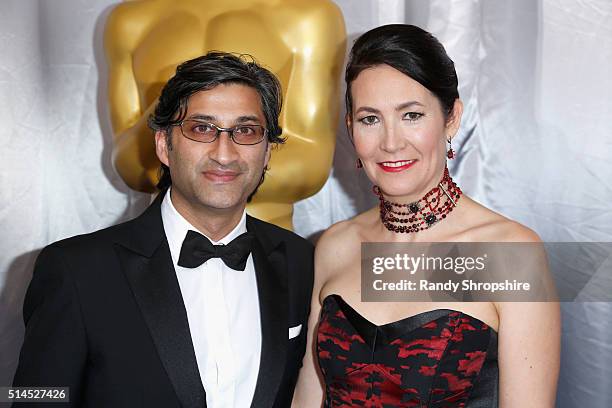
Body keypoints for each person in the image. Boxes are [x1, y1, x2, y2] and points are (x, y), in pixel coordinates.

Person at [13, 52, 314, 408]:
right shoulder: (75, 269)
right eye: (202, 128)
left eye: (245, 131)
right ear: (163, 145)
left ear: (266, 153)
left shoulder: (302, 261)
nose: (224, 153)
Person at [292, 25, 560, 407]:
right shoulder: (334, 245)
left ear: (451, 118)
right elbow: (308, 396)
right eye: (370, 119)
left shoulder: (510, 254)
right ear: (350, 127)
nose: (390, 142)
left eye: (412, 115)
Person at [104, 0, 346, 230]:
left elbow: (312, 162)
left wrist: (197, 172)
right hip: (157, 251)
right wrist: (175, 96)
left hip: (267, 250)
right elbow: (128, 164)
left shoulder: (309, 17)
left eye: (245, 130)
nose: (221, 155)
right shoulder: (129, 22)